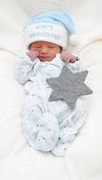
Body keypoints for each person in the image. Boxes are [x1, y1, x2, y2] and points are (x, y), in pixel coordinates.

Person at [15, 10, 85, 157]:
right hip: (40, 96)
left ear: (60, 48)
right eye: (37, 47)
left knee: (79, 106)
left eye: (51, 47)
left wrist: (72, 60)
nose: (44, 51)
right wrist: (27, 60)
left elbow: (76, 74)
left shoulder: (62, 59)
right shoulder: (33, 62)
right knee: (29, 105)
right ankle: (39, 137)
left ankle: (64, 135)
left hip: (63, 96)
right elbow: (21, 78)